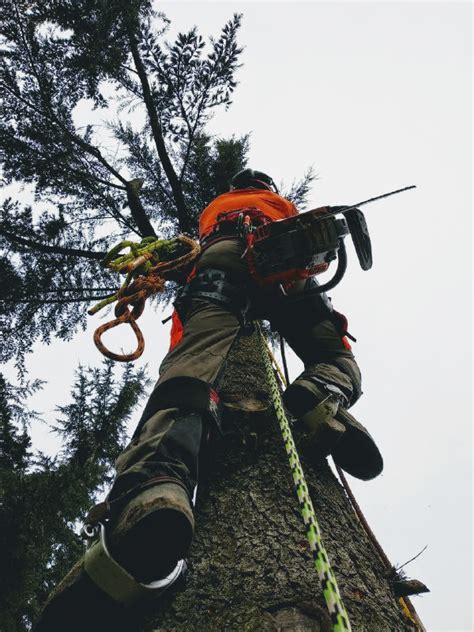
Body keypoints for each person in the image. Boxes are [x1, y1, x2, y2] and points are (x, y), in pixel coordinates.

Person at [36, 169, 382, 630]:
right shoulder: (278, 205)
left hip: (222, 263)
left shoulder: (213, 212)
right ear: (266, 185)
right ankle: (320, 394)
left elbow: (189, 259)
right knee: (336, 357)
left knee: (191, 367)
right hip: (286, 266)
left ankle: (156, 485)